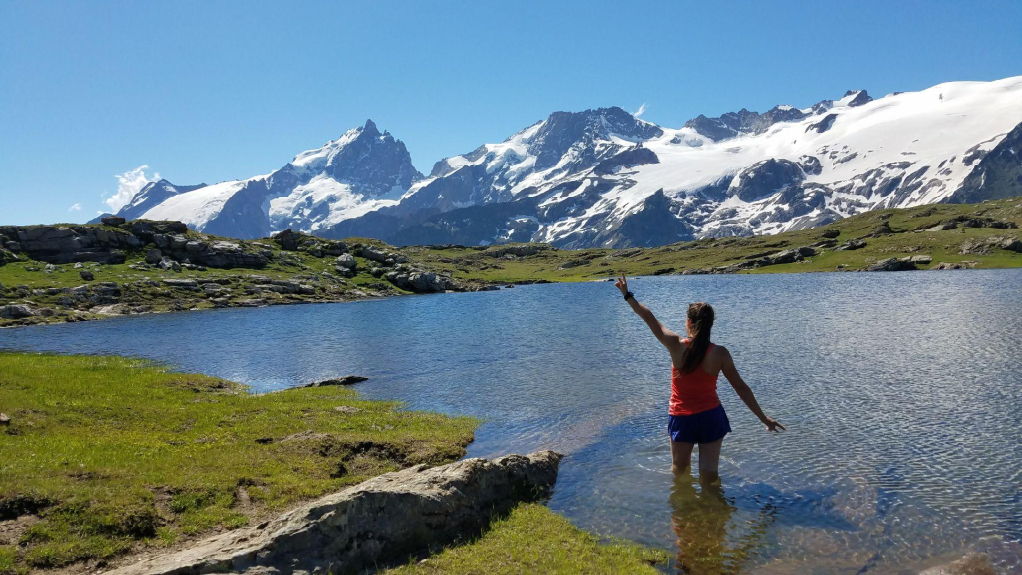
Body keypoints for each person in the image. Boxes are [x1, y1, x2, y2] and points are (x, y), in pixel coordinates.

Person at [615, 275, 784, 482]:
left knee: (679, 471)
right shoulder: (720, 353)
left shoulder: (676, 345)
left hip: (682, 417)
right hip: (711, 417)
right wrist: (762, 417)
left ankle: (682, 513)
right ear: (711, 324)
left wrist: (627, 295)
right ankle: (714, 511)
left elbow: (648, 317)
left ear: (688, 322)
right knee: (710, 474)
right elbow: (741, 388)